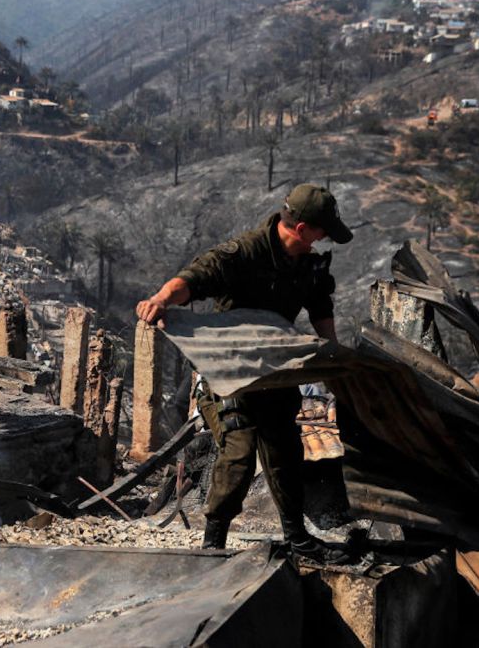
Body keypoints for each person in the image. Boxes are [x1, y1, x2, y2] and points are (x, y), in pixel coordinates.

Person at [135, 183, 355, 562]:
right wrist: (159, 300)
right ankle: (213, 543)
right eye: (320, 232)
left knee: (284, 449)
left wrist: (331, 354)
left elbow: (320, 310)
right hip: (228, 372)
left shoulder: (309, 265)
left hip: (272, 372)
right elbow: (195, 278)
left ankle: (298, 538)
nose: (323, 241)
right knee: (239, 448)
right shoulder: (246, 252)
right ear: (302, 229)